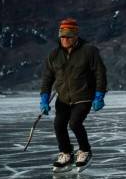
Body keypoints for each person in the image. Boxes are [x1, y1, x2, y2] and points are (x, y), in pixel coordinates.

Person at [39, 18, 107, 170]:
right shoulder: (54, 55)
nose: (65, 39)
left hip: (83, 96)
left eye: (68, 36)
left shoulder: (89, 51)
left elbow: (100, 73)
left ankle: (85, 151)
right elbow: (48, 78)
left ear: (76, 36)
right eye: (62, 36)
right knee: (58, 125)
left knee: (75, 123)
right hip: (63, 98)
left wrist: (99, 95)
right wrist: (44, 98)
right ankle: (66, 154)